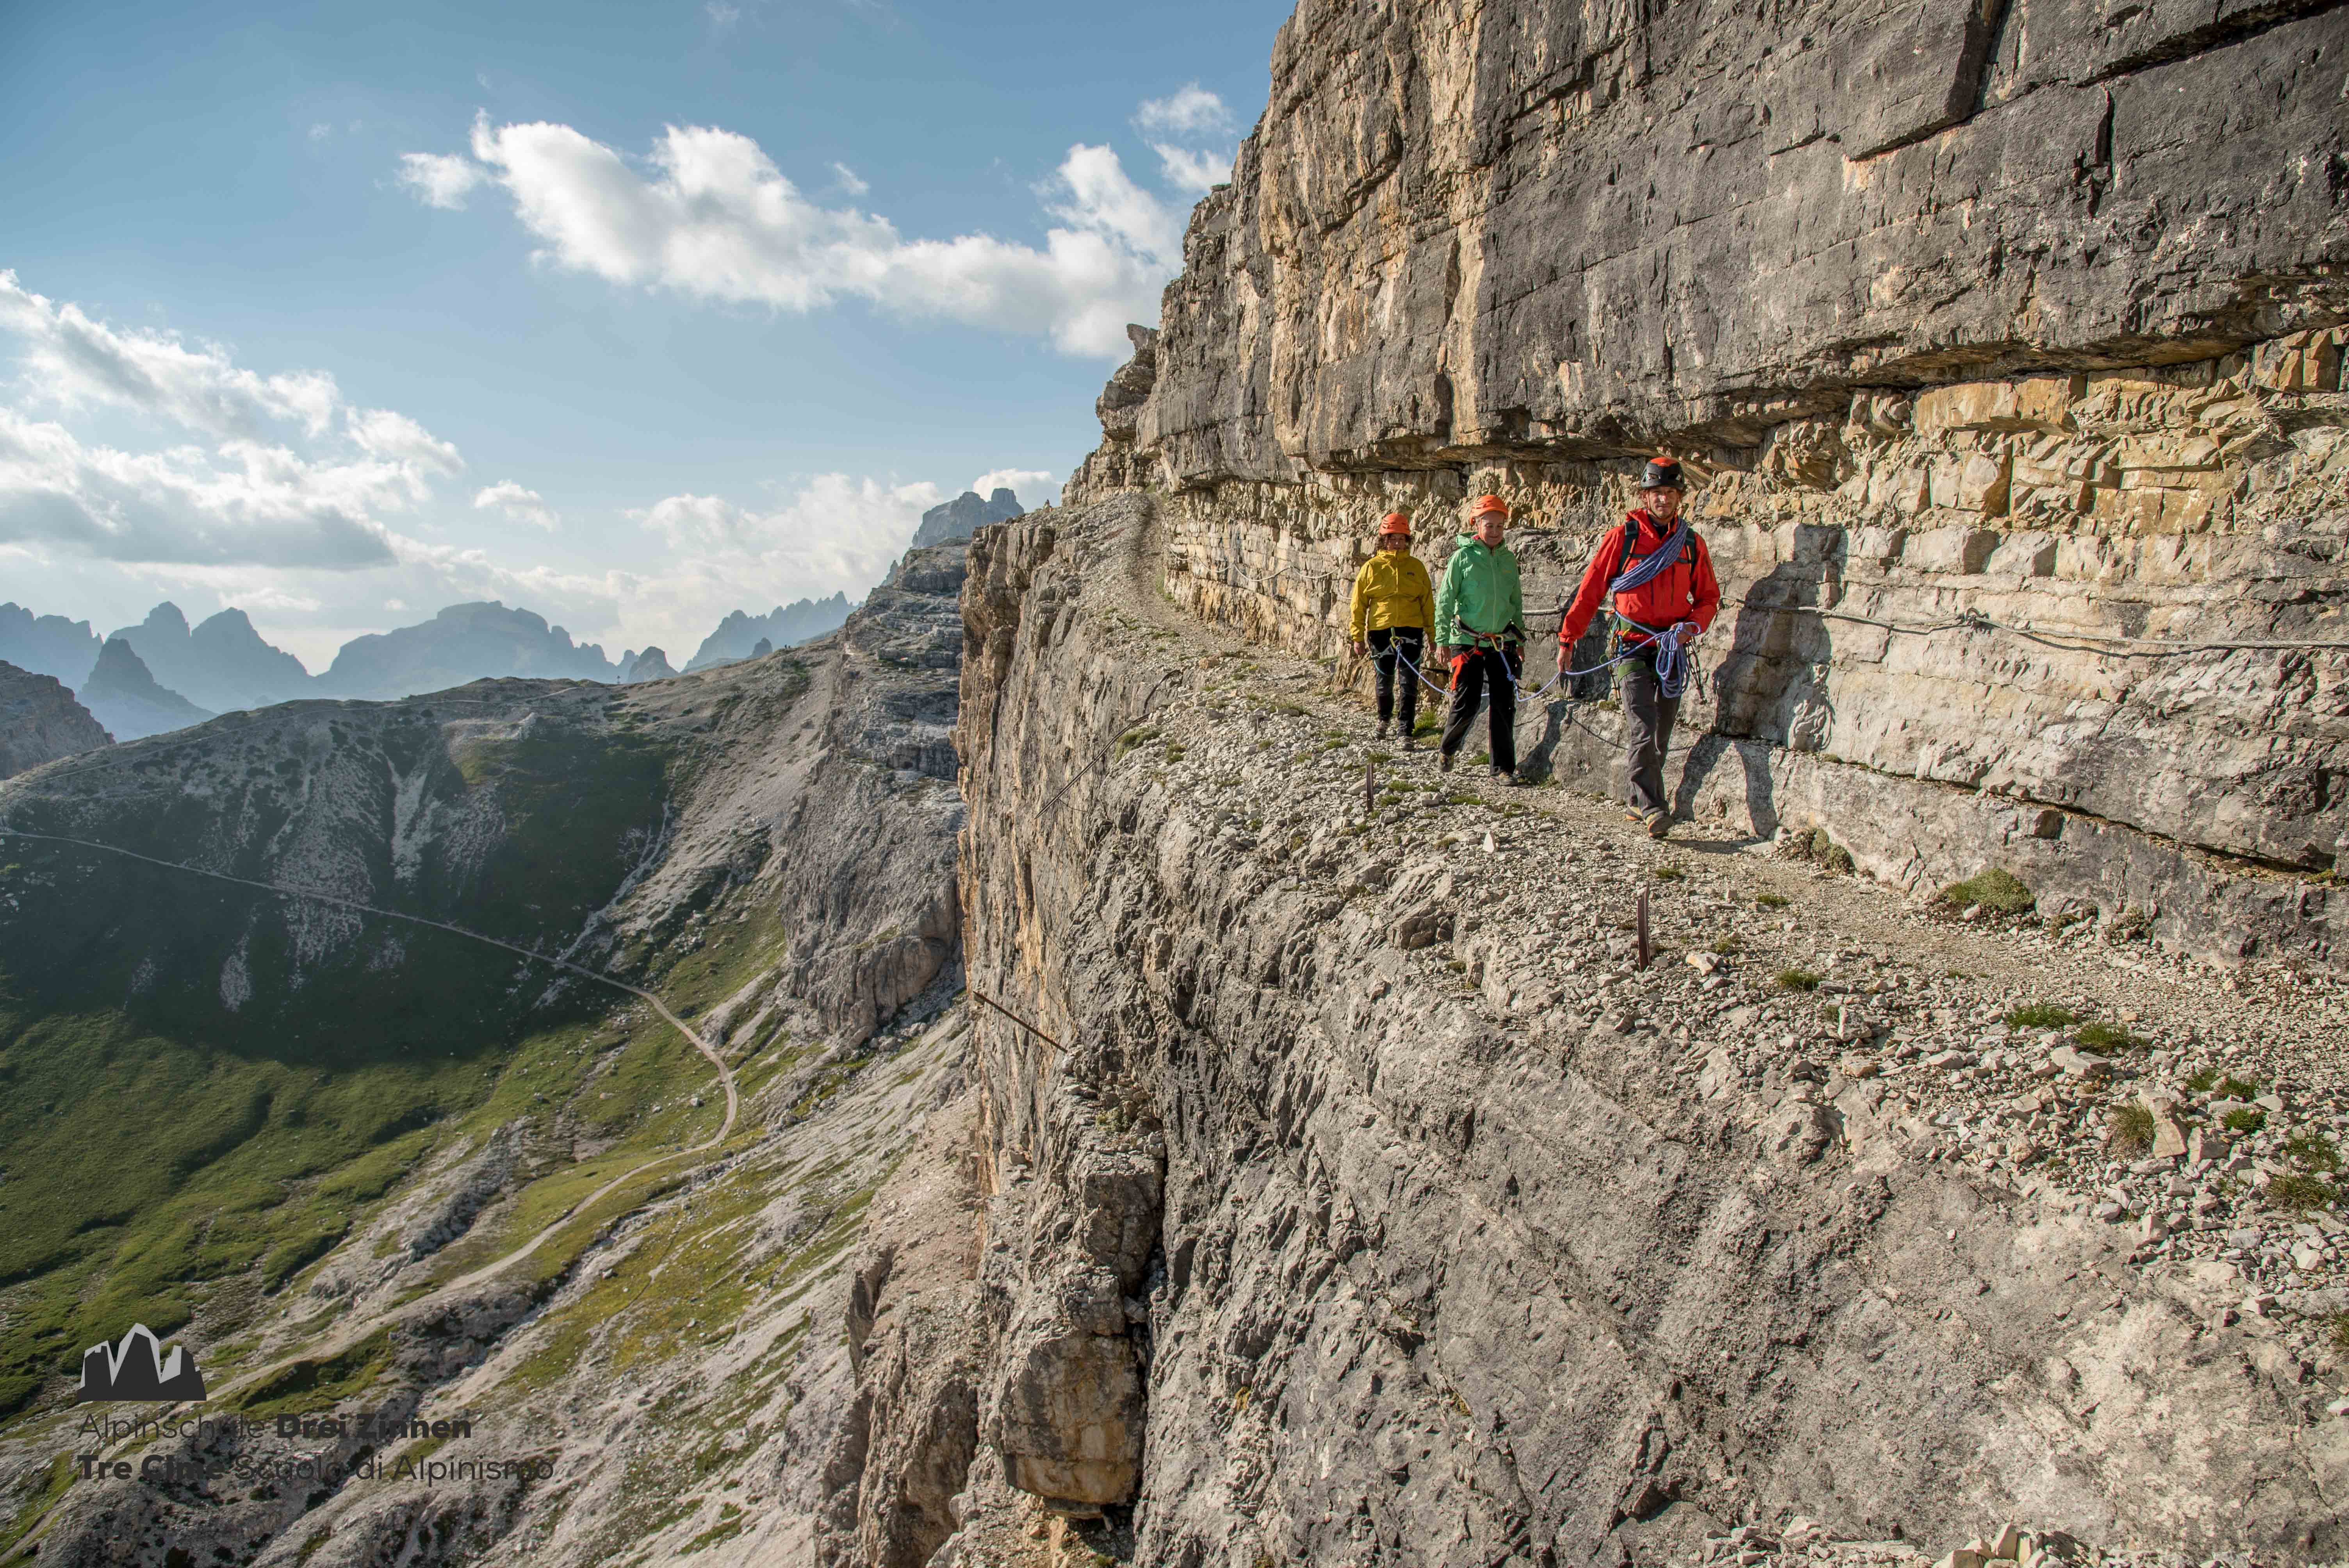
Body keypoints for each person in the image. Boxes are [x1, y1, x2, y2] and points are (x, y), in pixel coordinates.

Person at [1554, 456, 1722, 838]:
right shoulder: (1624, 537)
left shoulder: (1692, 544)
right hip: (1631, 645)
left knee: (1660, 734)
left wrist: (1692, 626)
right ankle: (1653, 808)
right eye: (1656, 493)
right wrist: (1569, 638)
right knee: (1644, 728)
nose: (1662, 499)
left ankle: (1636, 799)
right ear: (1645, 497)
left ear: (1679, 497)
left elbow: (1709, 597)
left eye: (1669, 492)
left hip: (1671, 650)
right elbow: (1592, 589)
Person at [1434, 494, 1528, 781]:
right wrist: (1442, 640)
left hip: (1501, 642)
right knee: (1468, 701)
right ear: (1476, 524)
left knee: (1504, 704)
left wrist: (1520, 639)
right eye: (1490, 526)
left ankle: (1503, 768)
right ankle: (1448, 749)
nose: (1496, 532)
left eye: (1500, 527)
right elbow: (1446, 600)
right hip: (1468, 641)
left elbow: (1516, 602)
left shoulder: (1509, 559)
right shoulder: (1462, 558)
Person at [1348, 511, 1436, 745]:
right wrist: (1357, 637)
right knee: (1384, 680)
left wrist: (1433, 634)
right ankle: (1384, 719)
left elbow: (1427, 602)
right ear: (1384, 540)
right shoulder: (1371, 568)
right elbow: (1359, 604)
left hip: (1411, 630)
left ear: (1408, 541)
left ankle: (1406, 729)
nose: (1397, 543)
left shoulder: (1417, 568)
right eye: (1392, 539)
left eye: (1401, 539)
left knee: (1409, 681)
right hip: (1380, 631)